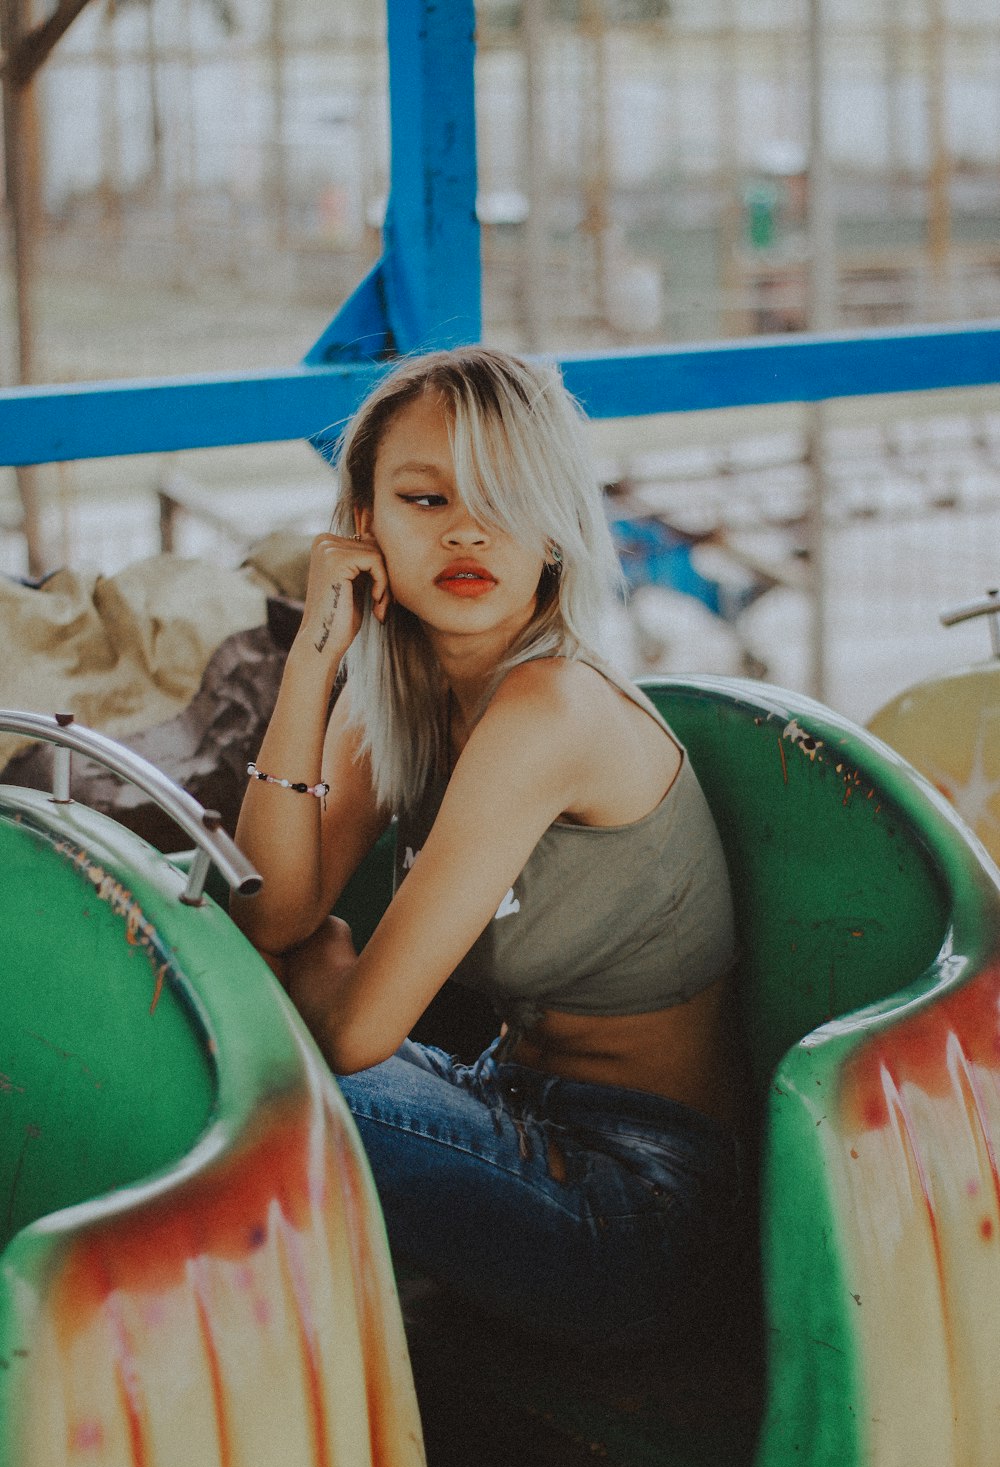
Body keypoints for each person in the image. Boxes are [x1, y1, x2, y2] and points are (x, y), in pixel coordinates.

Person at [232, 346, 746, 1351]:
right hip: (504, 1107)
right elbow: (272, 911)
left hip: (639, 1201)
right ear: (363, 525)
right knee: (245, 1016)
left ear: (556, 530)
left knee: (267, 1074)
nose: (469, 529)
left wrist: (322, 975)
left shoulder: (548, 708)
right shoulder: (400, 697)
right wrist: (314, 655)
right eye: (424, 499)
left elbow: (349, 1040)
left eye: (507, 498)